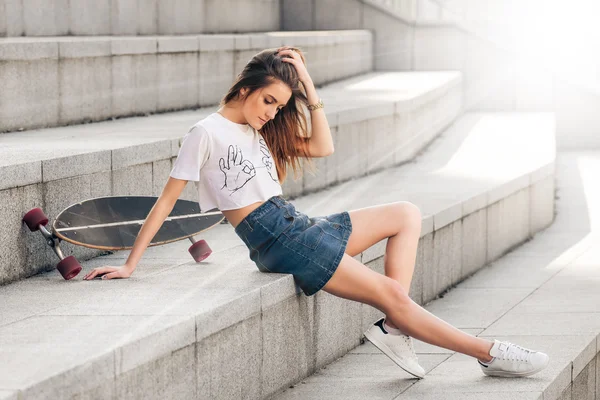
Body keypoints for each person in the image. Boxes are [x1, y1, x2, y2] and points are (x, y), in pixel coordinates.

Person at [83, 46, 549, 379]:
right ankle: (488, 353)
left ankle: (394, 325)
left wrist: (305, 82)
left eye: (280, 105)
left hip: (295, 224)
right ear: (244, 88)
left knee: (405, 213)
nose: (272, 112)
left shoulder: (255, 130)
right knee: (390, 290)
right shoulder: (205, 132)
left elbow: (323, 146)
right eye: (268, 100)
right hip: (275, 237)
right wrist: (129, 264)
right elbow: (166, 200)